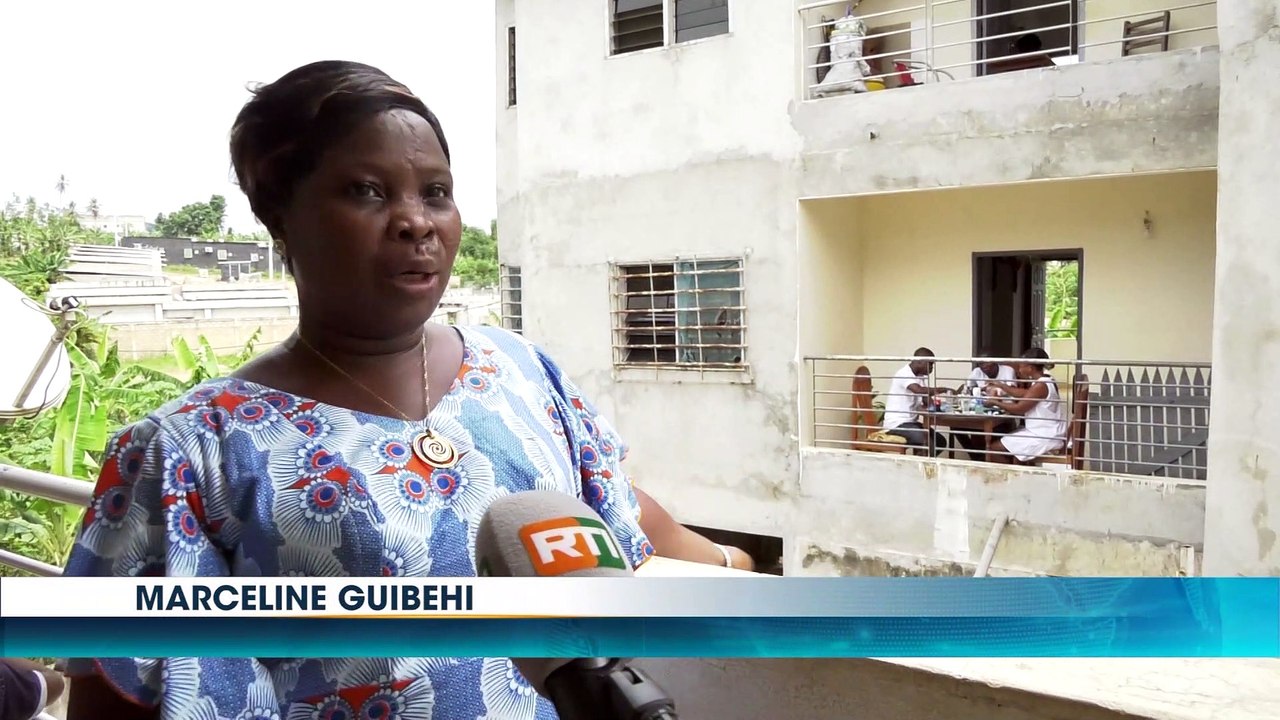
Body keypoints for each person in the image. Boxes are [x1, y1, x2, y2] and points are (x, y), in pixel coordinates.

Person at [60, 60, 749, 720]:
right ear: (280, 217)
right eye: (366, 190)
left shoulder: (520, 369)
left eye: (436, 192)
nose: (417, 221)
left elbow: (608, 512)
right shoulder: (190, 452)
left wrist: (729, 561)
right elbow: (119, 694)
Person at [984, 347, 1070, 464]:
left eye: (1021, 366)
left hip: (1044, 436)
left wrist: (995, 402)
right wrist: (1001, 385)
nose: (1019, 369)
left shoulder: (1040, 385)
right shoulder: (1045, 380)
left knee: (993, 449)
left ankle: (1011, 477)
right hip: (1046, 432)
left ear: (1030, 368)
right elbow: (1023, 394)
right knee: (1011, 442)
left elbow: (1019, 409)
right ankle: (1016, 472)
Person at [882, 347, 952, 456]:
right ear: (920, 362)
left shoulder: (920, 377)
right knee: (926, 441)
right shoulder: (903, 373)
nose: (932, 368)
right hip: (897, 424)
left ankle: (918, 466)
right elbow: (918, 390)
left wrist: (934, 406)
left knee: (940, 441)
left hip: (911, 423)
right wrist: (941, 389)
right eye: (930, 364)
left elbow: (926, 397)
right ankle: (919, 469)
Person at [953, 350, 1018, 461]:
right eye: (982, 367)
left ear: (995, 362)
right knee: (956, 426)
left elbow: (1012, 390)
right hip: (981, 411)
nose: (986, 370)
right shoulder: (977, 372)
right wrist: (977, 389)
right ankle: (976, 457)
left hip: (1003, 412)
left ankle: (989, 458)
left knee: (994, 432)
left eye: (989, 366)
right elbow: (966, 388)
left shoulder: (1007, 370)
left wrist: (994, 390)